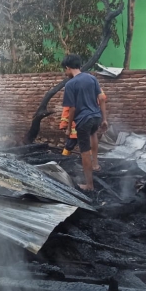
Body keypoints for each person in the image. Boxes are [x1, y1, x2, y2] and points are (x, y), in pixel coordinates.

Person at [61, 54, 107, 191]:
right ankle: (95, 164)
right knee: (93, 135)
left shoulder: (70, 84)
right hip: (96, 117)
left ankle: (89, 185)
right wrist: (104, 119)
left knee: (84, 152)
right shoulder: (92, 78)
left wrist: (69, 128)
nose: (65, 73)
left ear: (68, 68)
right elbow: (102, 99)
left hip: (84, 120)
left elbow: (72, 108)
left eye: (65, 70)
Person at [60, 89, 107, 156]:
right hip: (81, 123)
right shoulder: (92, 87)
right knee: (77, 144)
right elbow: (102, 98)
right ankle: (90, 160)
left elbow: (67, 109)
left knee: (75, 144)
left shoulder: (74, 88)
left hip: (79, 123)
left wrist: (64, 124)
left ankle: (65, 157)